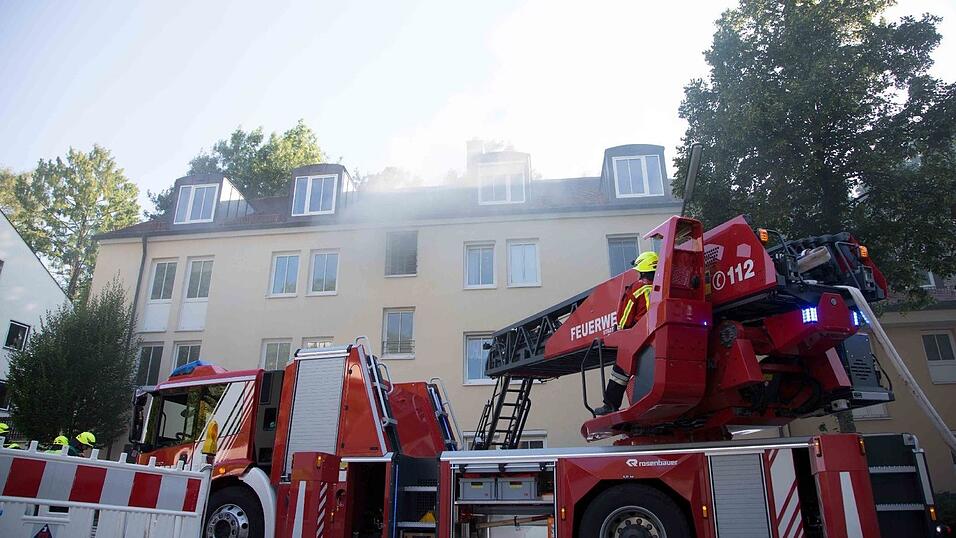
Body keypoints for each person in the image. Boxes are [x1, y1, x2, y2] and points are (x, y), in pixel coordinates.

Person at [594, 251, 658, 416]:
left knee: (620, 369)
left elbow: (626, 315)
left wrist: (620, 330)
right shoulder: (663, 286)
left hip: (640, 334)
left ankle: (610, 405)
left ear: (642, 270)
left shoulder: (637, 287)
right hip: (658, 334)